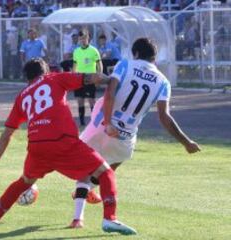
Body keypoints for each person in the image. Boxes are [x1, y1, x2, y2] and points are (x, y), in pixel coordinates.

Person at [0, 58, 136, 235]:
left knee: (24, 182)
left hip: (37, 147)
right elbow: (94, 77)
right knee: (105, 172)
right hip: (63, 142)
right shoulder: (54, 78)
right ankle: (110, 218)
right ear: (45, 72)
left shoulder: (22, 96)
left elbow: (6, 134)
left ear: (27, 78)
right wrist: (114, 80)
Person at [70, 38, 201, 227]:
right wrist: (186, 142)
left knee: (85, 166)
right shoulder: (163, 82)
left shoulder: (125, 65)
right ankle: (91, 191)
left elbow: (110, 93)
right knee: (108, 168)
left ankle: (78, 217)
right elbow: (164, 117)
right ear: (154, 58)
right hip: (125, 135)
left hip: (102, 125)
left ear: (136, 53)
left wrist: (108, 122)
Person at [73, 29, 102, 126]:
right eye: (81, 38)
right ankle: (82, 123)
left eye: (84, 38)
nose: (82, 40)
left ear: (88, 38)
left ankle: (94, 122)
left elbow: (99, 64)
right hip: (78, 79)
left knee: (91, 101)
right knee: (80, 101)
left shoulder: (94, 50)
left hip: (90, 79)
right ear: (79, 39)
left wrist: (98, 77)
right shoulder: (76, 51)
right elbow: (74, 66)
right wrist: (72, 78)